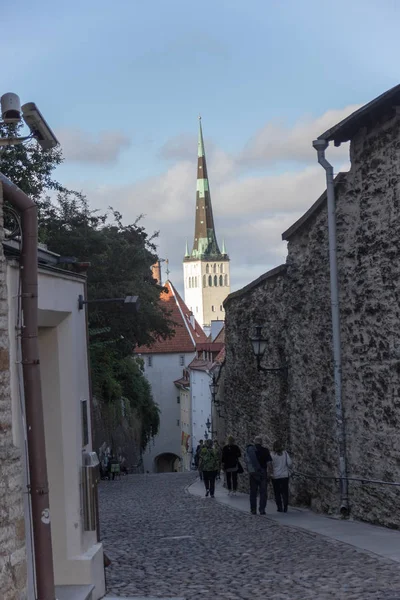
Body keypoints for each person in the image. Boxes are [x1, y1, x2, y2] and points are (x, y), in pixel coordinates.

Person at [245, 435, 272, 515]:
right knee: (263, 492)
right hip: (263, 472)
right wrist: (270, 474)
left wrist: (249, 472)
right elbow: (269, 463)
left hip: (253, 473)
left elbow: (247, 462)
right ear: (261, 442)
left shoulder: (250, 450)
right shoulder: (265, 450)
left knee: (253, 492)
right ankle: (262, 509)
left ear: (254, 441)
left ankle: (253, 509)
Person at [271, 440, 292, 513]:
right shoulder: (285, 453)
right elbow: (289, 463)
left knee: (277, 492)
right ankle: (285, 507)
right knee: (285, 492)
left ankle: (279, 507)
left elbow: (270, 465)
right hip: (284, 475)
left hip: (275, 476)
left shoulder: (272, 454)